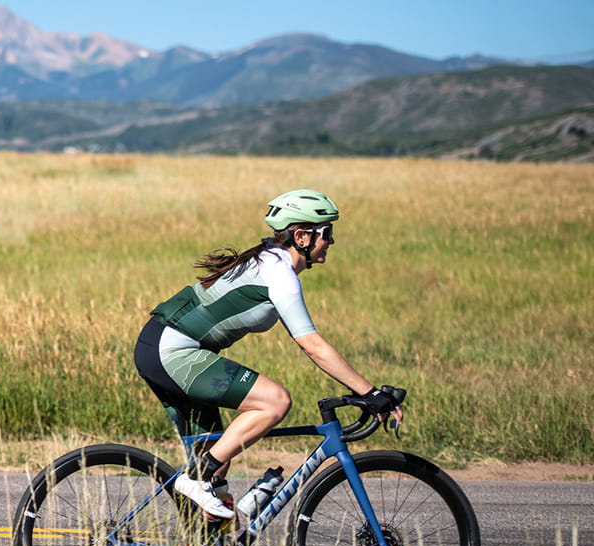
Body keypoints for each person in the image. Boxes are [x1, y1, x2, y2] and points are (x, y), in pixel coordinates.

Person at [134, 189, 404, 520]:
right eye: (327, 233)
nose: (331, 241)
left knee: (217, 473)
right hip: (173, 352)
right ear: (303, 236)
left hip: (161, 348)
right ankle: (197, 479)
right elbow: (312, 345)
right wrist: (369, 391)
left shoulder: (268, 259)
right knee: (275, 401)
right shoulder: (278, 272)